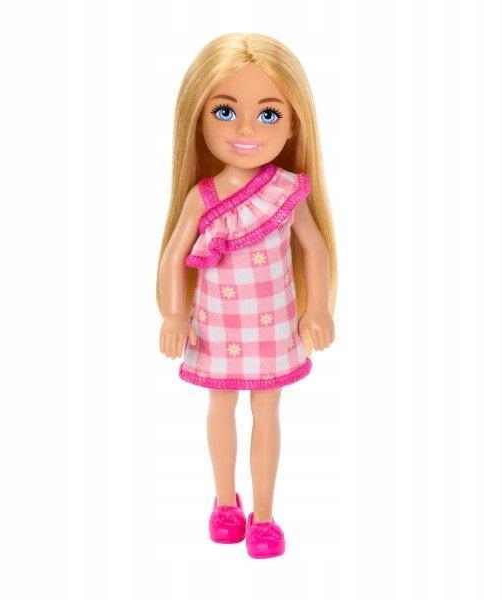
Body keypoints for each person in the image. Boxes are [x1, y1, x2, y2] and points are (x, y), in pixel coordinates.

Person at [157, 33, 337, 558]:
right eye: (225, 111)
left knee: (267, 412)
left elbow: (314, 247)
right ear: (199, 119)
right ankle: (224, 503)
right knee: (221, 408)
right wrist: (173, 313)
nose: (245, 130)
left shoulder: (286, 190)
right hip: (217, 326)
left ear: (293, 124)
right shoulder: (204, 196)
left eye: (268, 114)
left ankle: (263, 514)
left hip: (272, 324)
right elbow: (173, 256)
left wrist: (318, 305)